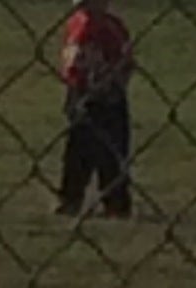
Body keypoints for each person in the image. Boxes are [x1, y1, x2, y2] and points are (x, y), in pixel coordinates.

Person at [56, 0, 135, 219]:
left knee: (113, 152)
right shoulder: (78, 24)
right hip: (82, 94)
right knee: (78, 151)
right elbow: (70, 62)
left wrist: (114, 82)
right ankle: (71, 199)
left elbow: (126, 60)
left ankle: (116, 203)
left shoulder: (112, 28)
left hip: (108, 97)